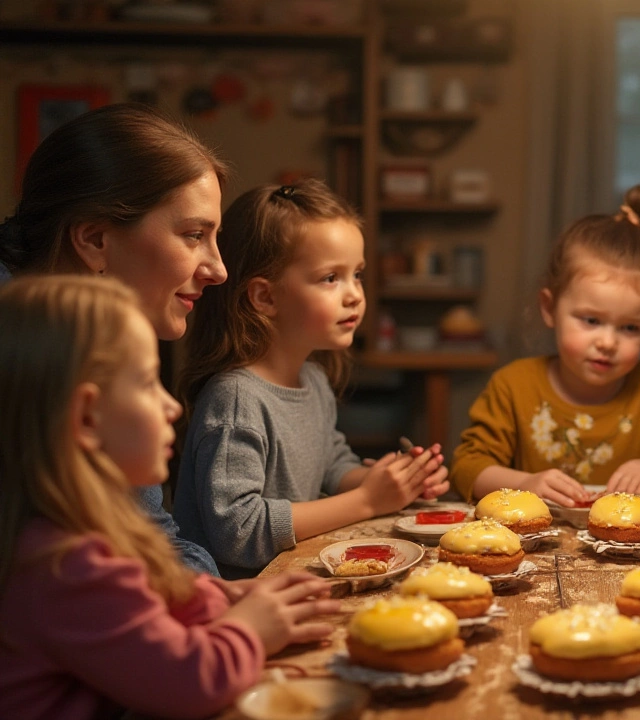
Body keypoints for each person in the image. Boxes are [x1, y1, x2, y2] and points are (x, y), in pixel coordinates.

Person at [0, 275, 339, 720]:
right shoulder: (67, 566)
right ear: (85, 417)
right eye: (147, 384)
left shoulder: (73, 534)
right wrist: (251, 629)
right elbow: (191, 681)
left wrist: (226, 599)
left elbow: (150, 600)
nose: (173, 407)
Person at [174, 179, 449, 578]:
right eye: (330, 278)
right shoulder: (236, 398)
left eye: (356, 274)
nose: (354, 294)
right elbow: (237, 532)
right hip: (239, 604)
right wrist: (368, 502)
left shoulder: (313, 380)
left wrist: (390, 480)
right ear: (265, 298)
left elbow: (331, 465)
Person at [0, 102, 227, 576]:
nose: (218, 270)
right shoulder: (26, 354)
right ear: (95, 240)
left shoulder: (100, 333)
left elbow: (152, 536)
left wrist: (217, 596)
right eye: (193, 235)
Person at [450, 184, 640, 506]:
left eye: (630, 327)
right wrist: (525, 483)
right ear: (549, 309)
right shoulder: (513, 387)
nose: (607, 342)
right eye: (591, 321)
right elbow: (466, 468)